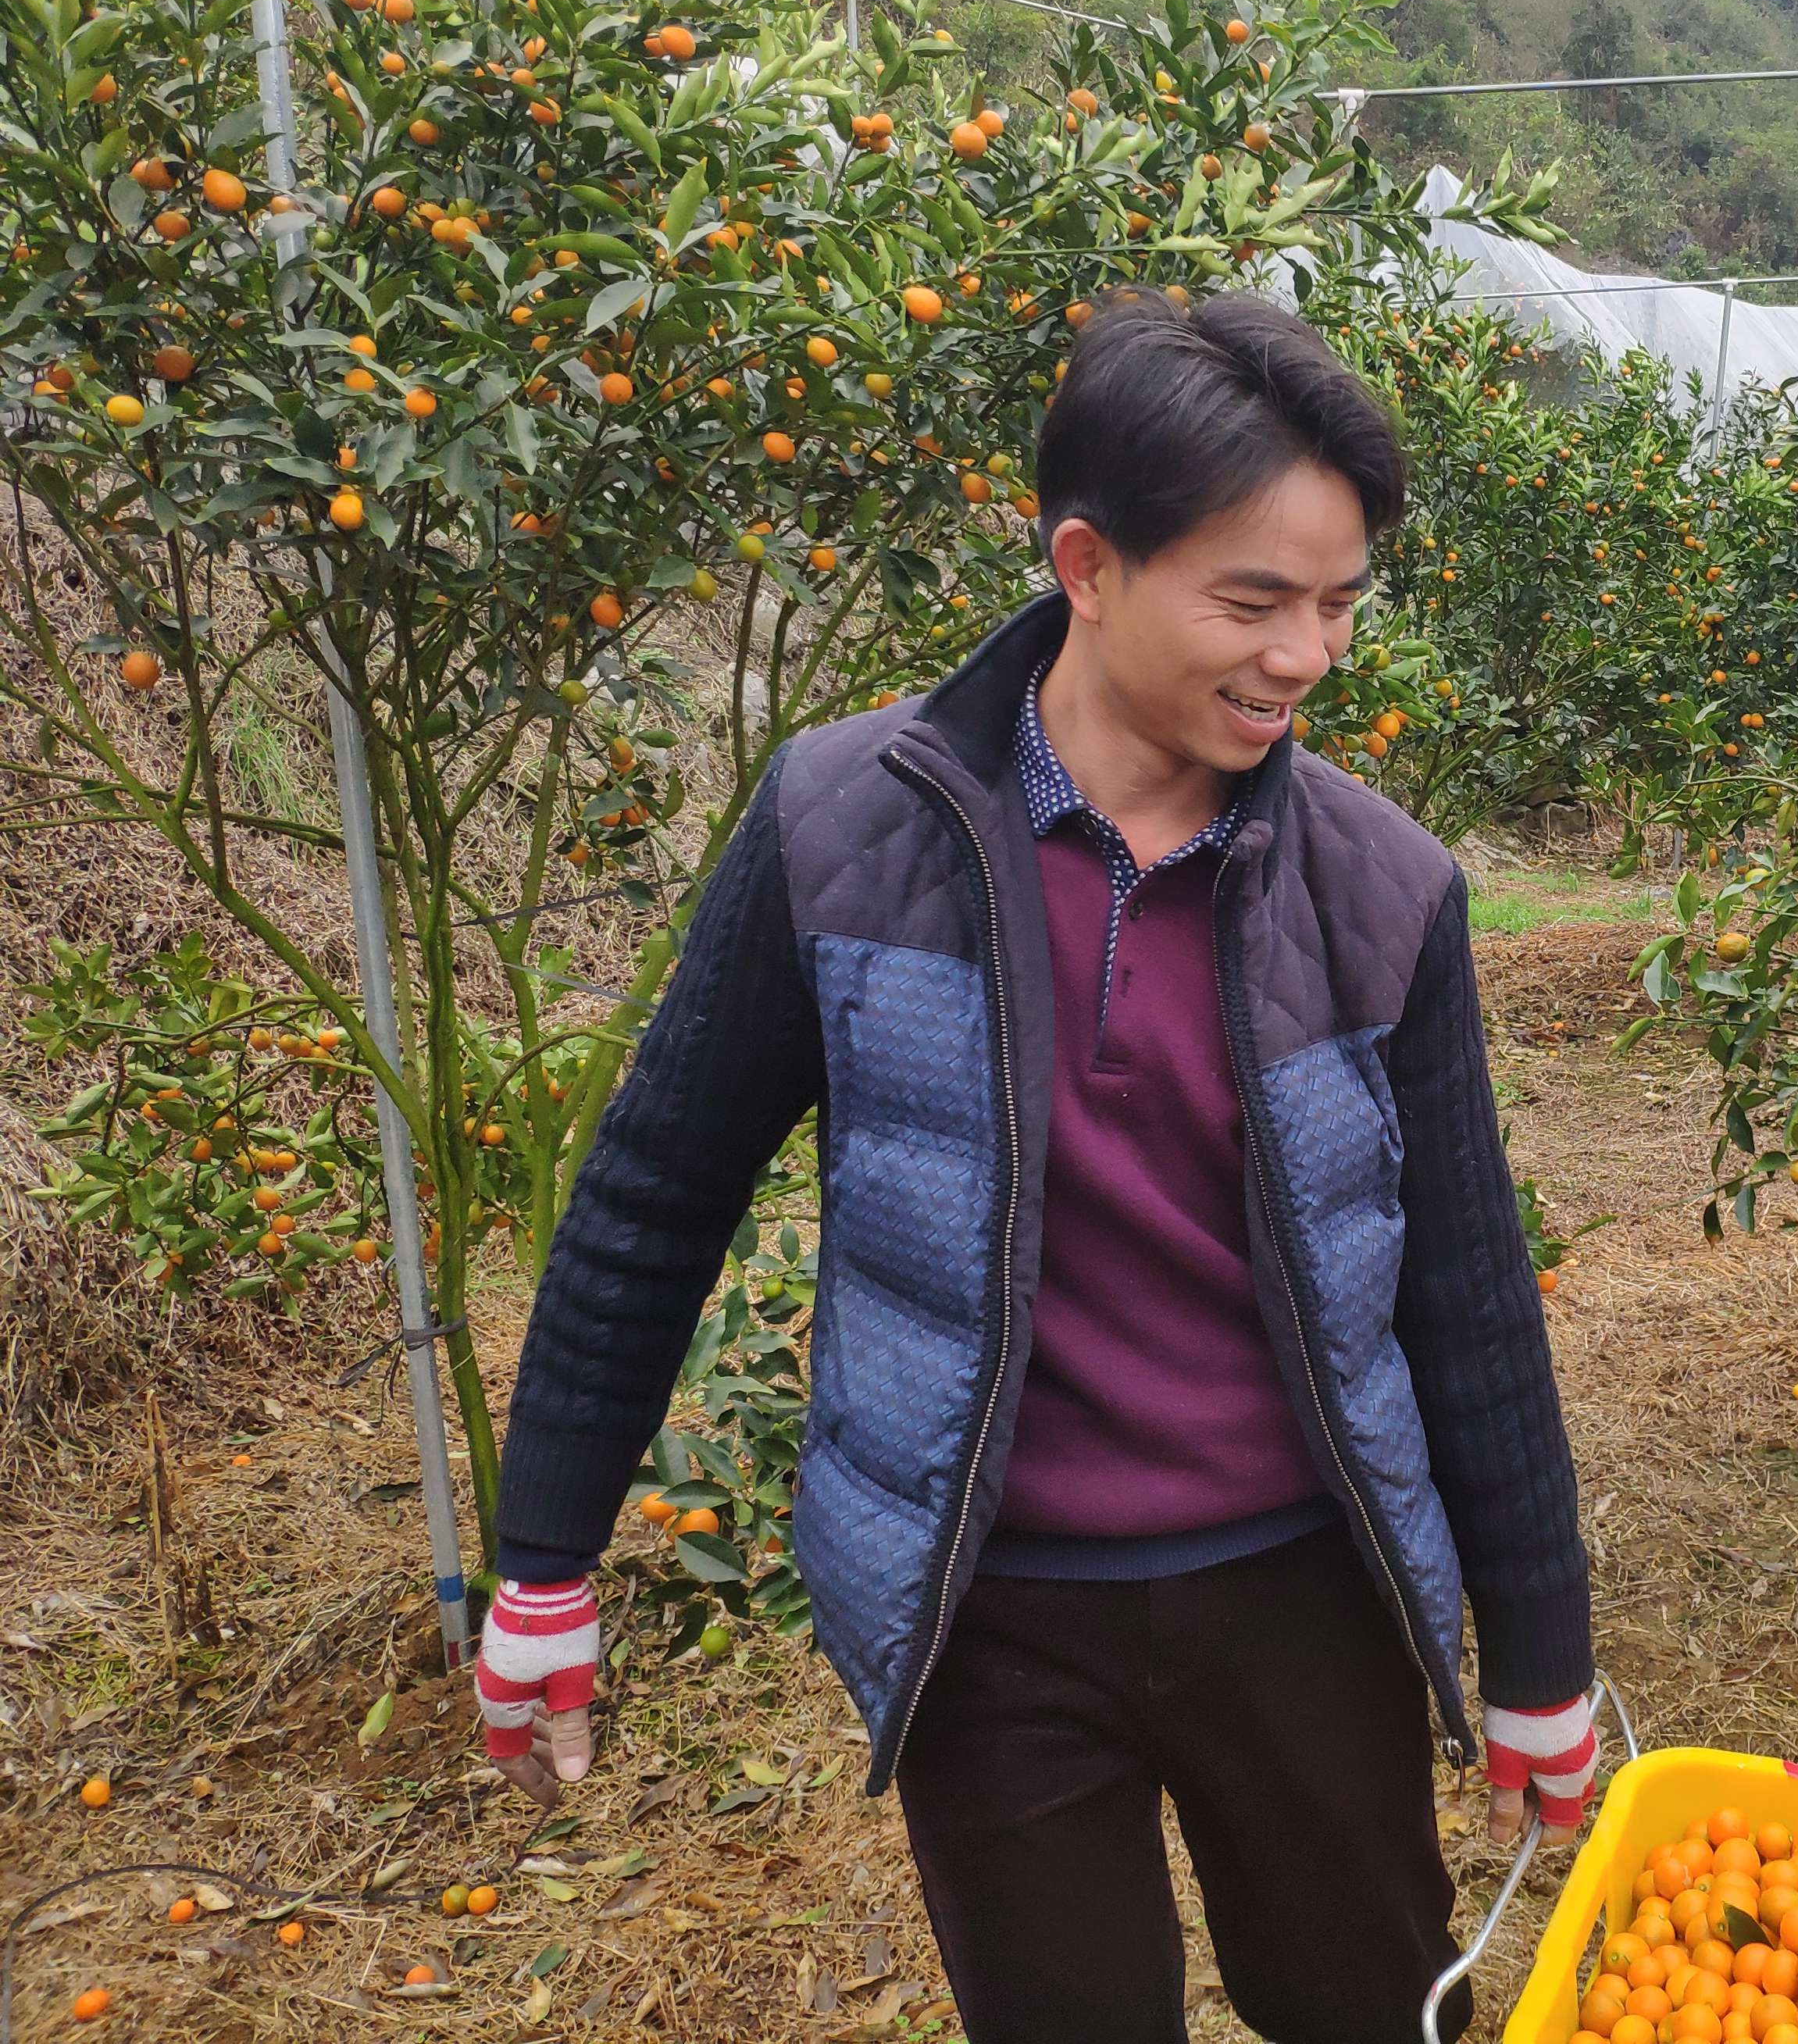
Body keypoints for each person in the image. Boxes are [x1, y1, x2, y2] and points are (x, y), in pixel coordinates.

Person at [469, 290, 1600, 2044]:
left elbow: (1462, 1287)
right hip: (994, 1605)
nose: (1304, 654)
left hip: (1304, 1593)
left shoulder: (1381, 888)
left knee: (1371, 2008)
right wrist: (542, 1555)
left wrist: (1542, 1661)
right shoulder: (846, 831)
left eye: (1338, 604)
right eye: (1252, 601)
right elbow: (651, 1196)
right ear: (1086, 564)